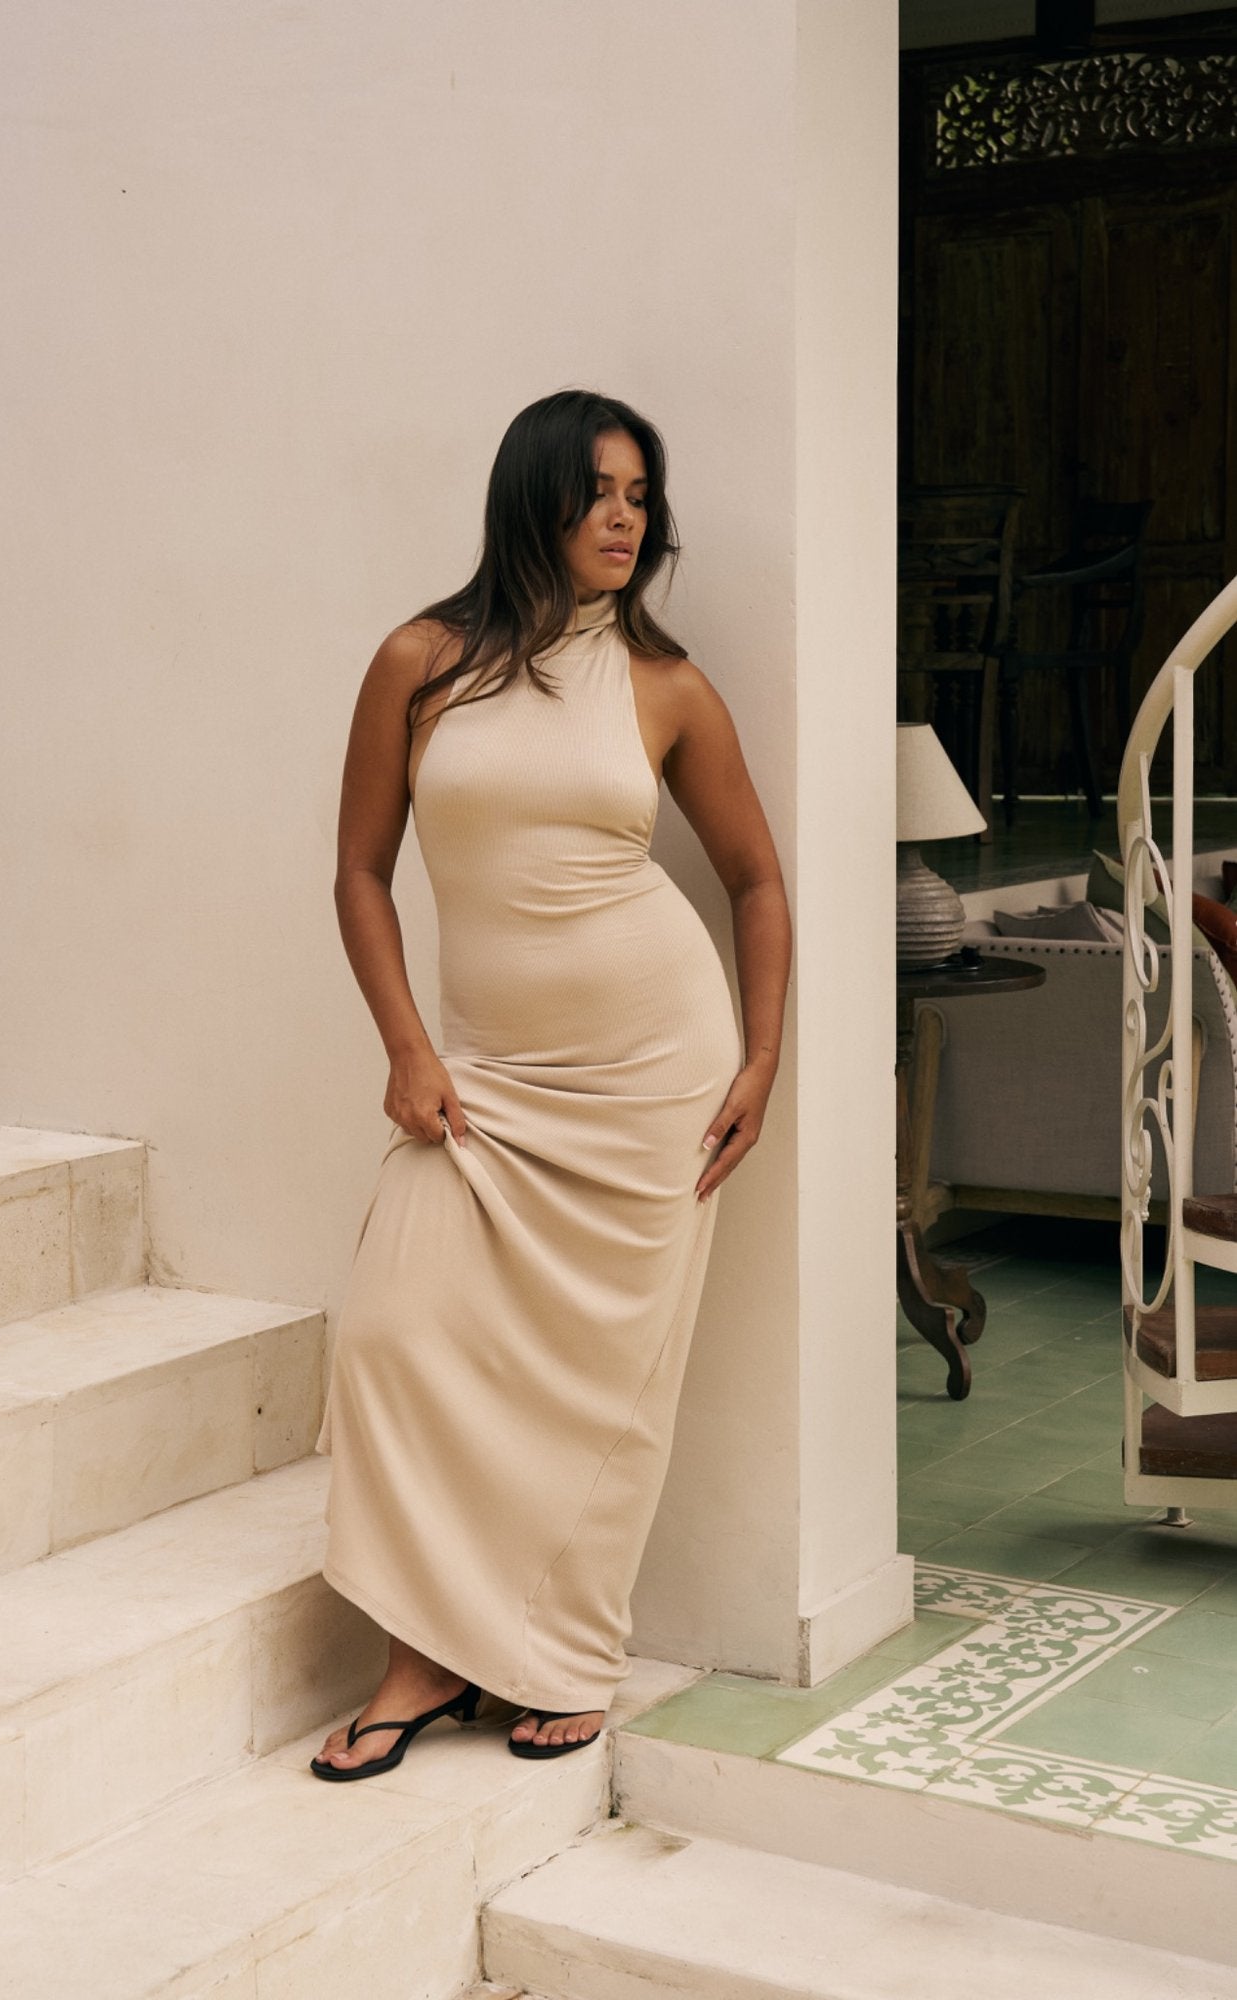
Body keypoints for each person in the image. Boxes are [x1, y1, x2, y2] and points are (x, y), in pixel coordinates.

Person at [311, 389, 791, 1779]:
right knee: (393, 1337)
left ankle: (567, 1653)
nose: (625, 519)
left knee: (603, 1385)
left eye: (640, 496)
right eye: (598, 493)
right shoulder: (421, 662)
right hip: (487, 1077)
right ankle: (420, 1661)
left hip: (654, 1076)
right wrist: (407, 1047)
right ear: (535, 500)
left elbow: (756, 880)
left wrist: (761, 1057)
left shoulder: (664, 685)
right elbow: (359, 871)